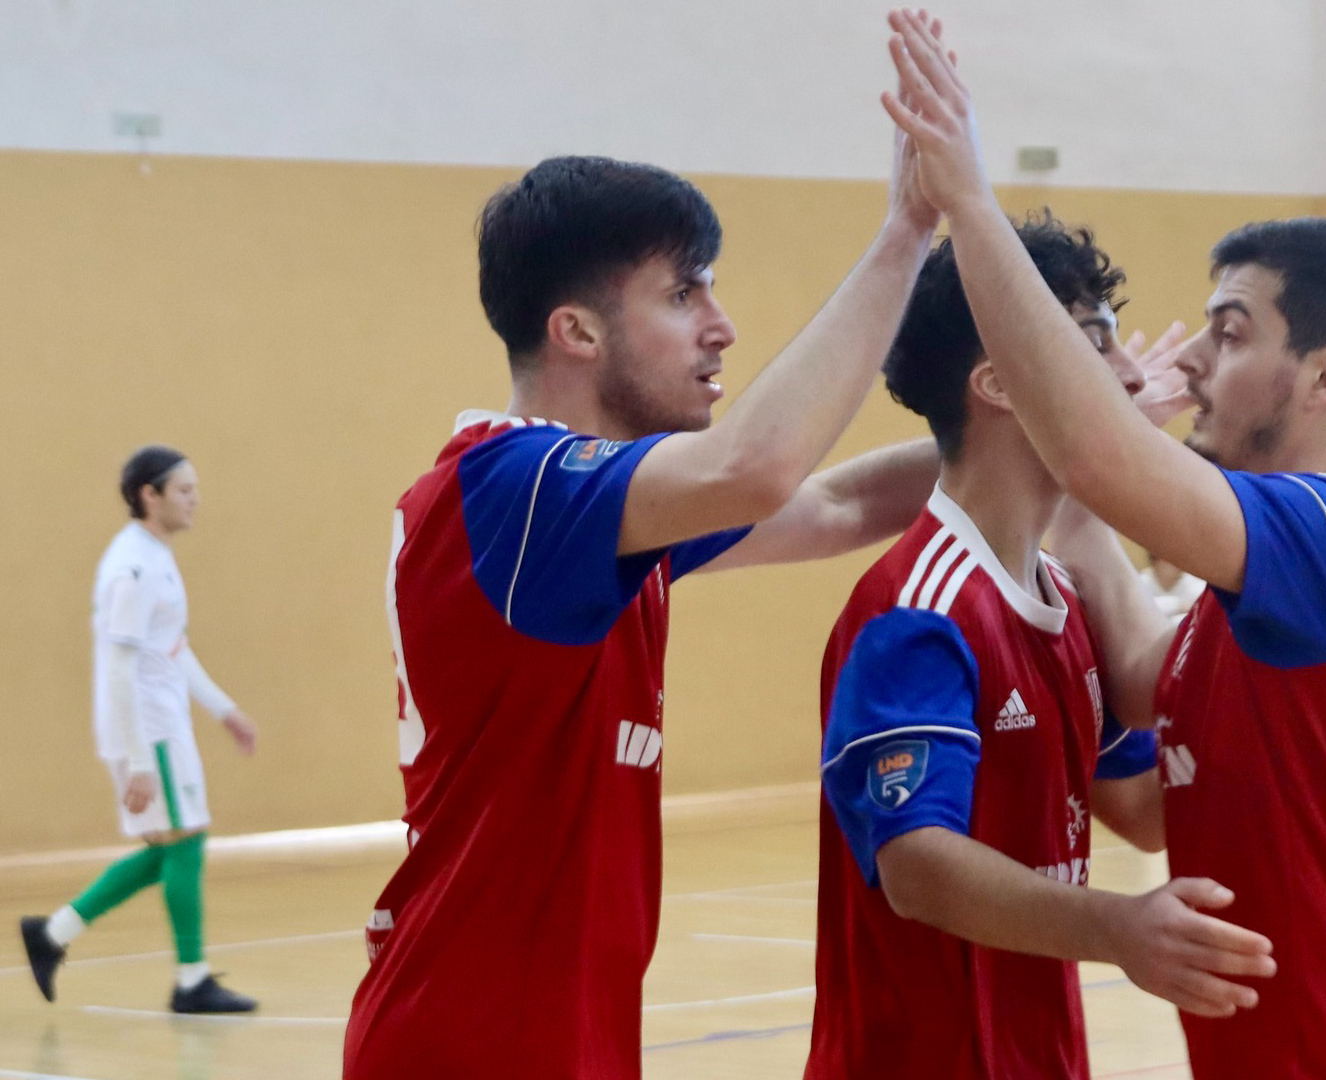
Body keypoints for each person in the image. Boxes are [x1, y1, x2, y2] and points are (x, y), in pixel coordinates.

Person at [876, 13, 1326, 1076]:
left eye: (1231, 330)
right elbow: (1135, 696)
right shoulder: (1254, 581)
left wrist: (970, 208)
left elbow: (1108, 465)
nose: (1196, 358)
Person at [343, 61, 953, 1078]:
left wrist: (1079, 435)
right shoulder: (513, 487)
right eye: (683, 293)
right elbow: (758, 467)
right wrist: (907, 232)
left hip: (552, 1039)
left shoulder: (599, 514)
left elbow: (837, 504)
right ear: (575, 331)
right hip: (471, 1043)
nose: (721, 324)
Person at [808, 215, 1274, 1080]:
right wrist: (1118, 927)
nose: (1135, 373)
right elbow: (916, 865)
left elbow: (1142, 808)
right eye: (1096, 341)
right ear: (999, 383)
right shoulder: (921, 606)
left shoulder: (1062, 599)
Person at [19, 446, 260, 1014]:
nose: (194, 498)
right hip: (147, 729)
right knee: (185, 840)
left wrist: (224, 709)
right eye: (182, 490)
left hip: (162, 721)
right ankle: (191, 980)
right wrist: (139, 760)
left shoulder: (156, 555)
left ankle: (52, 933)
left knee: (173, 846)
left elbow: (171, 648)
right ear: (147, 496)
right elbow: (120, 667)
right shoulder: (132, 566)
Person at [1140, 551, 1206, 619]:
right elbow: (1141, 608)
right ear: (1154, 562)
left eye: (1172, 560)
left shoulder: (1195, 583)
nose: (1168, 565)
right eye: (1164, 560)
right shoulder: (1142, 581)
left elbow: (1199, 609)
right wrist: (1178, 605)